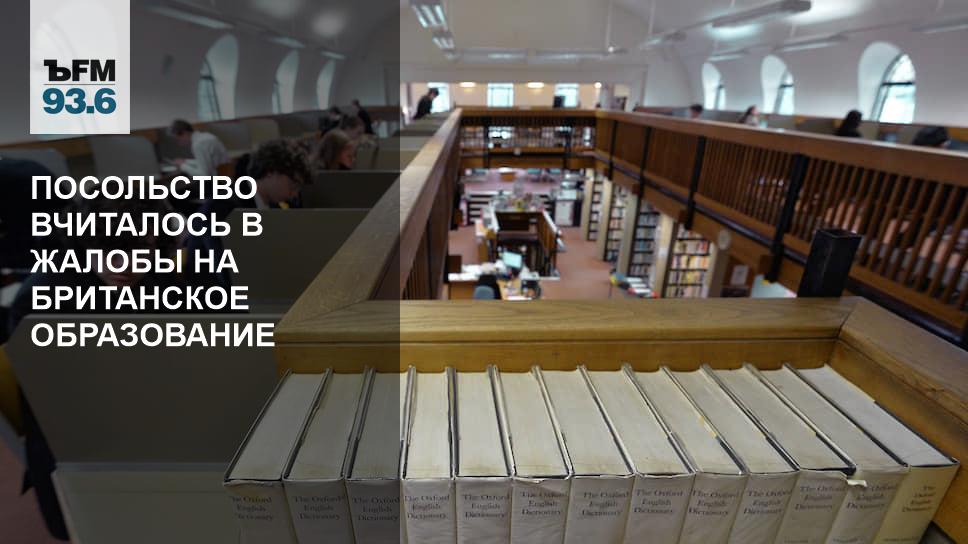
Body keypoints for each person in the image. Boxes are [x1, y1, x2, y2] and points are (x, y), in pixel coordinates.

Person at [8, 196, 183, 541]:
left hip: (147, 425)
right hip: (80, 447)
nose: (127, 263)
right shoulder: (42, 300)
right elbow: (59, 404)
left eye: (142, 250)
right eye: (112, 250)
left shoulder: (159, 280)